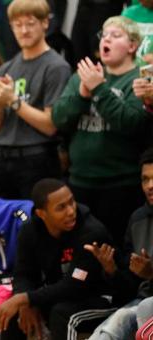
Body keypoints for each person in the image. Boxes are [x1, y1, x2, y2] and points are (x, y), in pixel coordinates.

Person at [52, 16, 150, 246]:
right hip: (80, 182)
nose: (106, 39)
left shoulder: (139, 80)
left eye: (115, 36)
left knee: (115, 250)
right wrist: (82, 95)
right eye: (104, 35)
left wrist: (99, 89)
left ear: (132, 46)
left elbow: (133, 123)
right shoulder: (83, 76)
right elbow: (59, 119)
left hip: (121, 184)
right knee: (83, 250)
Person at [0, 179, 114, 340]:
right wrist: (25, 302)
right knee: (15, 314)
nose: (71, 211)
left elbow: (74, 286)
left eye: (71, 202)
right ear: (41, 213)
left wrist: (26, 298)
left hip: (99, 297)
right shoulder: (29, 231)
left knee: (61, 313)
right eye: (61, 208)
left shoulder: (91, 232)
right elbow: (23, 274)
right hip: (60, 295)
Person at [0, 0, 72, 199]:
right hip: (4, 156)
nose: (23, 30)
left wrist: (14, 101)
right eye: (17, 25)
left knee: (33, 223)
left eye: (30, 23)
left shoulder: (56, 67)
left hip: (37, 157)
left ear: (45, 23)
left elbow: (50, 125)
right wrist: (0, 103)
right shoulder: (7, 67)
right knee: (0, 224)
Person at [86, 148, 153, 339]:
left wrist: (151, 275)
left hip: (148, 308)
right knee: (105, 334)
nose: (150, 185)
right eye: (145, 179)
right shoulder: (137, 220)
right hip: (140, 303)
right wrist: (112, 271)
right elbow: (129, 288)